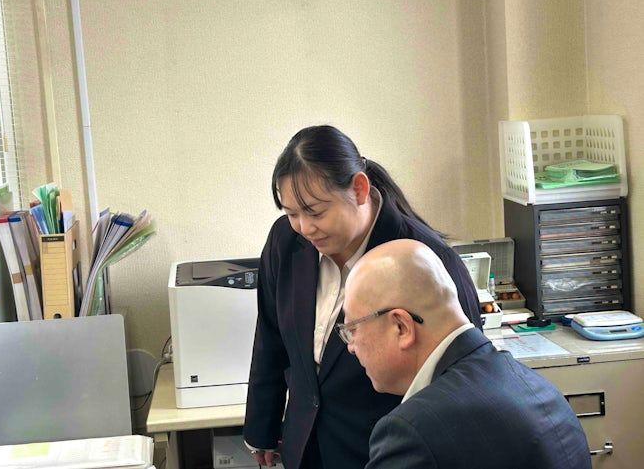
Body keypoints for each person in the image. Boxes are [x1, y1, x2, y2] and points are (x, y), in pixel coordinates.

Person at [244, 125, 483, 469]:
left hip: (384, 451)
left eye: (315, 212)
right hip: (304, 446)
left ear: (358, 189)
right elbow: (270, 335)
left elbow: (462, 370)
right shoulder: (286, 242)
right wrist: (261, 427)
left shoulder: (424, 257)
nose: (305, 228)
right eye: (292, 213)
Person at [340, 239, 591, 469]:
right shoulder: (540, 389)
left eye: (353, 329)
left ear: (401, 327)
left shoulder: (413, 432)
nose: (351, 346)